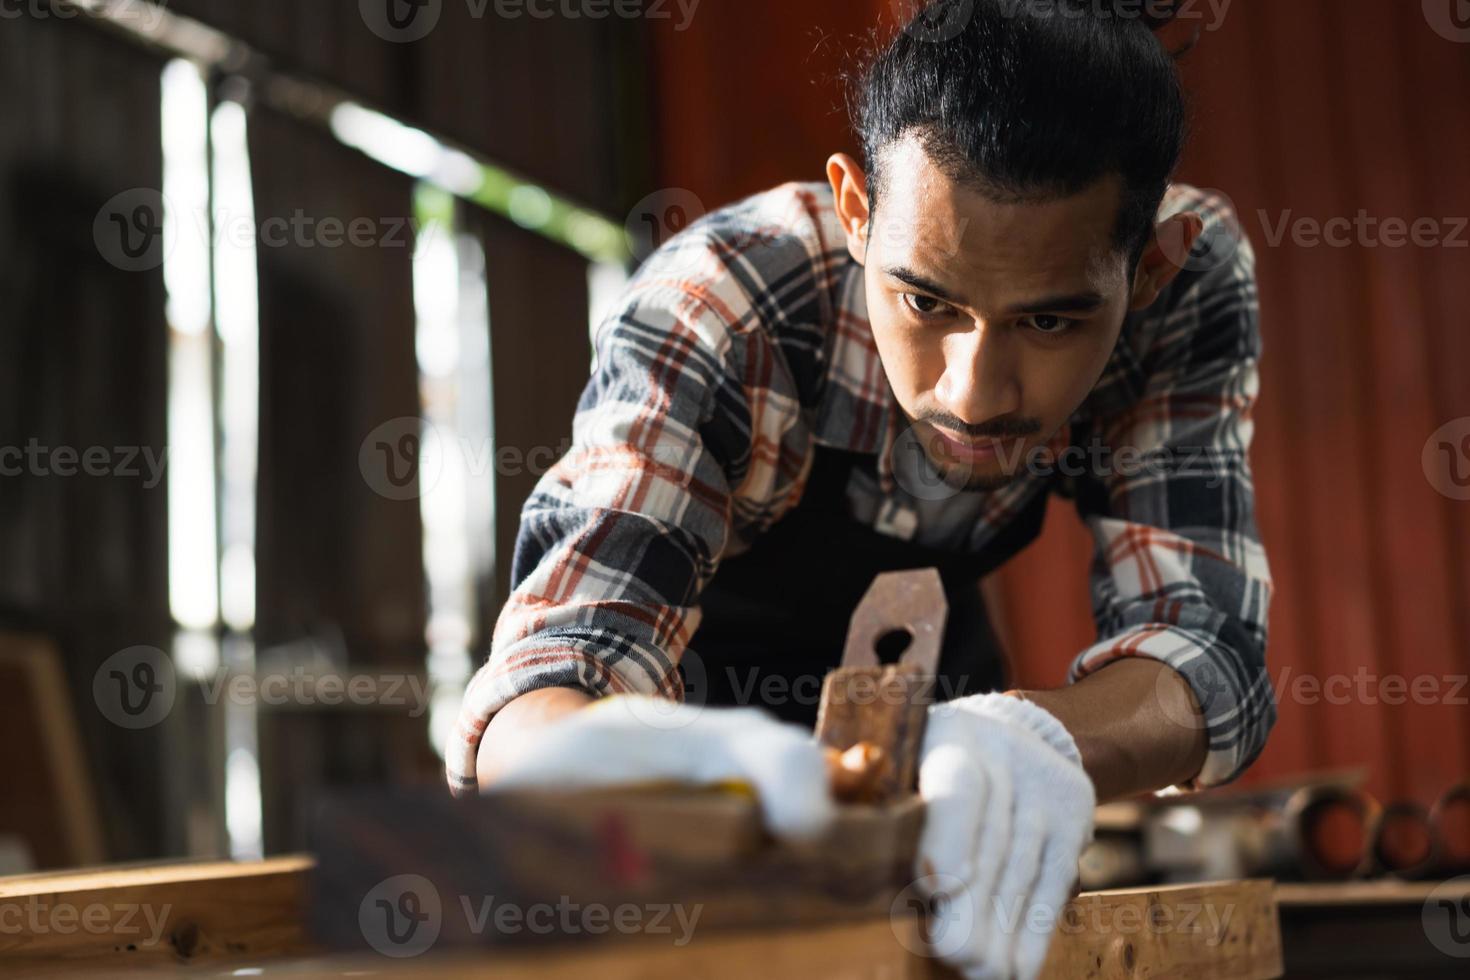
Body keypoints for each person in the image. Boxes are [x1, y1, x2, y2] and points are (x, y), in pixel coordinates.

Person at [448, 1, 1275, 976]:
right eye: (926, 300)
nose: (970, 391)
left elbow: (1210, 646)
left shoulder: (1193, 279)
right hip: (696, 732)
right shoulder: (723, 303)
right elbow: (540, 699)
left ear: (1149, 269)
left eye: (1049, 323)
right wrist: (667, 768)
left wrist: (1032, 736)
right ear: (855, 209)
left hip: (946, 718)